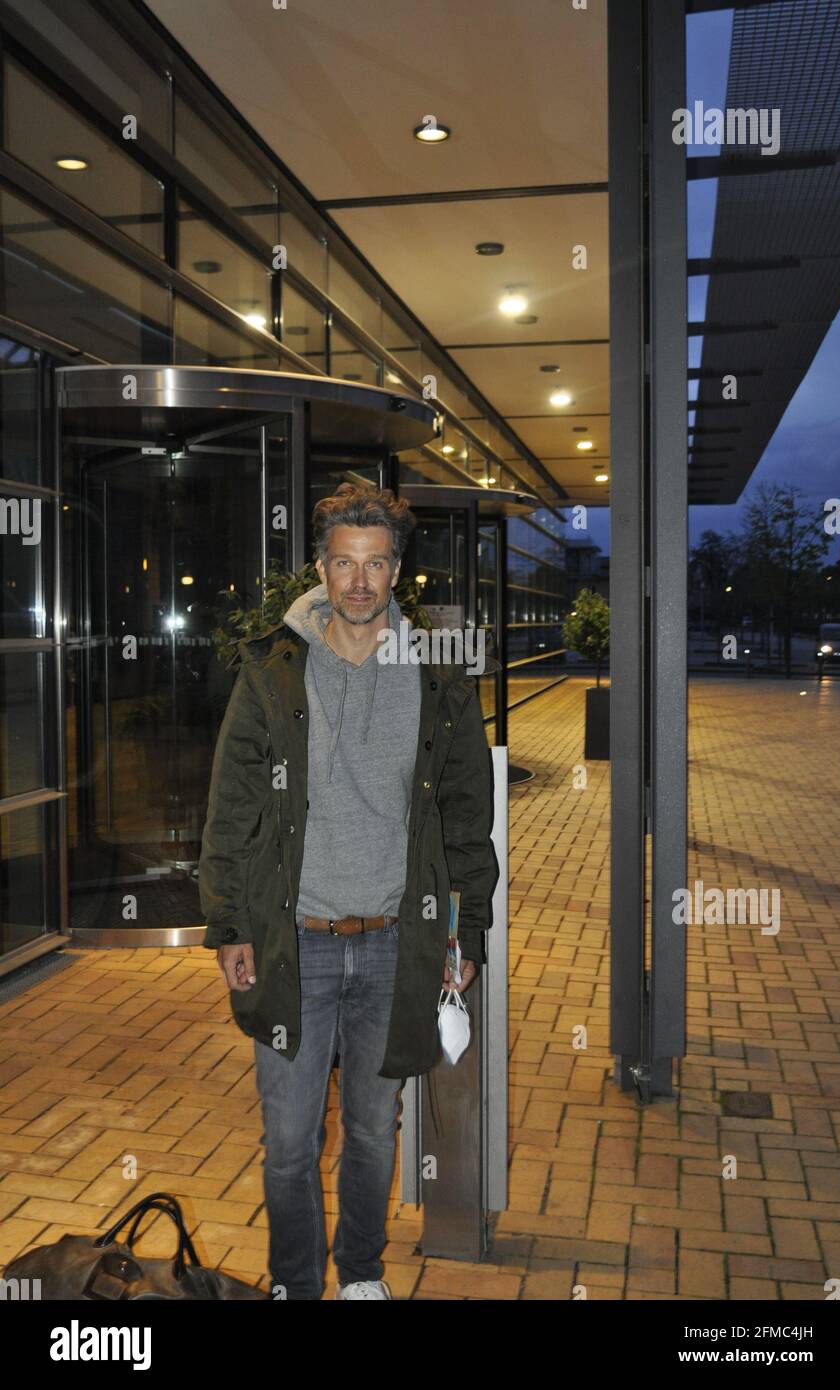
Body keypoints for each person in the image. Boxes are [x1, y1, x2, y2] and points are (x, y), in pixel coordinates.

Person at [198, 483, 498, 1301]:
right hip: (294, 939)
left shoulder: (436, 675)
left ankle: (360, 1274)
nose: (358, 582)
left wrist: (463, 935)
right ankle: (296, 1285)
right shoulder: (270, 669)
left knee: (373, 1129)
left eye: (374, 565)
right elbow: (232, 808)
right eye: (342, 564)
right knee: (290, 1140)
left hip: (398, 941)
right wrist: (227, 924)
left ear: (396, 570)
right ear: (321, 568)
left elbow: (469, 813)